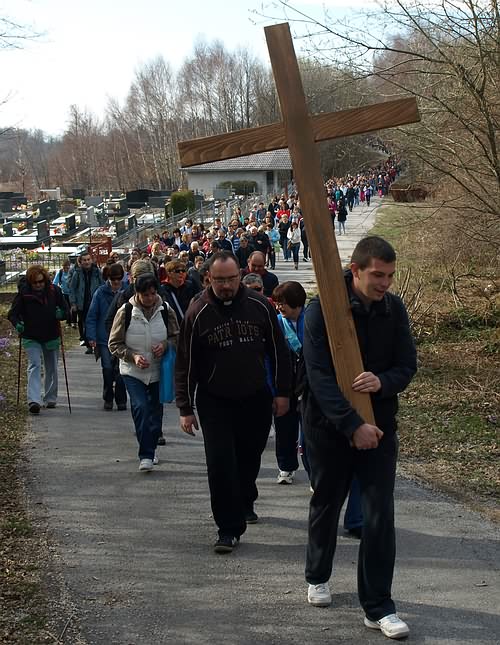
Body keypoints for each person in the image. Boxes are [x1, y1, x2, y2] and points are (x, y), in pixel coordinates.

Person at [302, 236, 417, 640]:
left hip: (381, 427)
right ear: (356, 270)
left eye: (389, 275)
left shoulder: (394, 310)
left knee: (379, 515)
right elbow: (318, 378)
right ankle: (317, 574)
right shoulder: (321, 312)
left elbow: (407, 366)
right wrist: (353, 425)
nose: (385, 283)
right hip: (329, 428)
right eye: (377, 275)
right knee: (327, 502)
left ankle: (379, 606)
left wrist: (381, 382)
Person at [175, 251, 291, 553]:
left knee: (249, 458)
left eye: (231, 279)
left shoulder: (260, 306)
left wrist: (282, 392)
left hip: (255, 397)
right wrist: (185, 408)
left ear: (240, 276)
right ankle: (228, 528)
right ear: (209, 278)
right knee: (220, 463)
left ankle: (245, 497)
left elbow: (278, 351)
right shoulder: (197, 311)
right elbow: (185, 362)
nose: (226, 285)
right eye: (219, 280)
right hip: (215, 400)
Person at [109, 273, 179, 471]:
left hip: (159, 370)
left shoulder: (166, 310)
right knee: (141, 408)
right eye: (145, 295)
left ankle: (151, 447)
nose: (150, 298)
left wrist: (166, 345)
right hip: (132, 371)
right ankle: (146, 454)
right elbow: (114, 344)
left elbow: (178, 336)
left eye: (153, 293)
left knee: (156, 413)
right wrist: (133, 356)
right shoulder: (126, 311)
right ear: (137, 293)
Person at [8, 265, 68, 413]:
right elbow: (12, 314)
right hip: (31, 335)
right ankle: (34, 400)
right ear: (30, 282)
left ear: (45, 280)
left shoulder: (55, 291)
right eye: (35, 283)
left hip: (51, 334)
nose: (38, 285)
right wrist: (18, 324)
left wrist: (62, 314)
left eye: (41, 282)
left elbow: (66, 310)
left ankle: (50, 398)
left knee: (52, 367)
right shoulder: (24, 294)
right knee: (34, 365)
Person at [271, 281, 307, 485]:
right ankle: (286, 467)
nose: (279, 307)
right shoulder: (275, 323)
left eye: (282, 303)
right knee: (284, 427)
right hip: (283, 385)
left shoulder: (311, 320)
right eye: (277, 303)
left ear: (296, 302)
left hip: (308, 385)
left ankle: (314, 471)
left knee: (310, 432)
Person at [86, 262, 128, 411]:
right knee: (108, 368)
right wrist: (91, 336)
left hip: (124, 338)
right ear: (108, 279)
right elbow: (92, 315)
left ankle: (121, 399)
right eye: (113, 279)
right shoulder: (100, 292)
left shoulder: (128, 291)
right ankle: (108, 397)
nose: (116, 282)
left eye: (118, 279)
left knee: (122, 370)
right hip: (104, 338)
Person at [68, 251, 103, 353]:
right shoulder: (77, 273)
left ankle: (94, 342)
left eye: (88, 260)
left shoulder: (97, 272)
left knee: (95, 323)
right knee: (84, 323)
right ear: (81, 261)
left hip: (94, 302)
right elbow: (72, 288)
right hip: (81, 302)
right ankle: (88, 343)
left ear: (91, 260)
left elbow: (102, 286)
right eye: (84, 260)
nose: (87, 262)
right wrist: (73, 303)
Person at [161, 259, 201, 325]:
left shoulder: (191, 285)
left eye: (183, 271)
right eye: (177, 271)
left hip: (191, 324)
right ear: (169, 273)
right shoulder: (164, 290)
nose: (181, 273)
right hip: (174, 326)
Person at [53, 258, 77, 328]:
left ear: (70, 266)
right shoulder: (60, 273)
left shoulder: (73, 272)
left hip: (72, 293)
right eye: (64, 267)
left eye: (67, 267)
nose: (66, 269)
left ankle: (74, 322)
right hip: (64, 293)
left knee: (73, 307)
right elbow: (55, 282)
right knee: (67, 307)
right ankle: (69, 322)